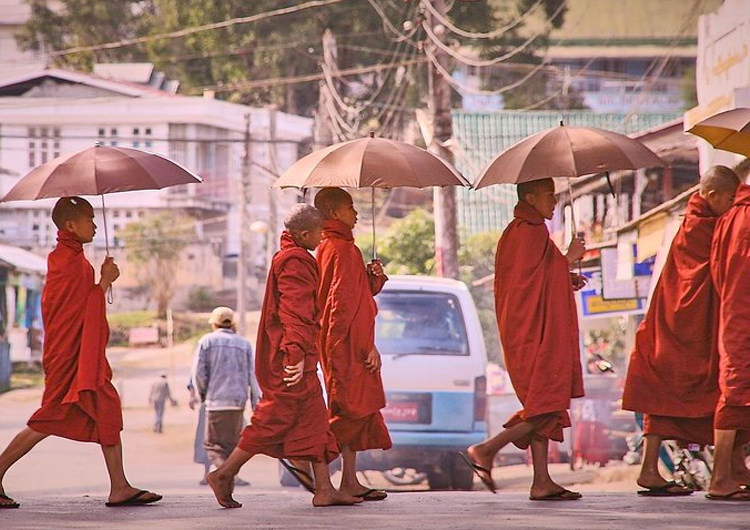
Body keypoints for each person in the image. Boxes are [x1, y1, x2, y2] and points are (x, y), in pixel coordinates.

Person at [0, 196, 161, 509]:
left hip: (76, 353)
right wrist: (104, 283)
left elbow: (79, 306)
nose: (96, 225)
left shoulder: (70, 258)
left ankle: (119, 486)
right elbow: (79, 309)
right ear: (70, 225)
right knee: (48, 418)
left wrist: (100, 283)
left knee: (105, 411)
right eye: (90, 218)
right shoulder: (68, 262)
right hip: (70, 355)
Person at [206, 204, 361, 509]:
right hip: (291, 356)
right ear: (304, 234)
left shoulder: (292, 255)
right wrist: (296, 353)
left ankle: (324, 489)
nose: (322, 237)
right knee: (271, 417)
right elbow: (295, 311)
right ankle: (225, 472)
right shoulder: (296, 260)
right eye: (319, 232)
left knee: (316, 421)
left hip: (299, 352)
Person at [462, 178, 586, 501]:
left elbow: (538, 282)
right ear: (530, 197)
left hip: (533, 331)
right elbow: (524, 289)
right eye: (549, 195)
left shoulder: (531, 231)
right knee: (547, 405)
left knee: (542, 404)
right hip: (530, 334)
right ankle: (487, 449)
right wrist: (569, 257)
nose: (555, 202)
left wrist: (564, 278)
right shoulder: (526, 232)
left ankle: (541, 481)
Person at [622, 166, 741, 496]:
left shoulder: (696, 218)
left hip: (673, 325)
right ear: (711, 196)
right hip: (683, 327)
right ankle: (719, 472)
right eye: (730, 199)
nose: (732, 206)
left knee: (662, 398)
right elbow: (707, 274)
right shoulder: (701, 225)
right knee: (712, 394)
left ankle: (652, 469)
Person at [304, 187, 391, 501]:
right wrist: (365, 345)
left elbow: (354, 296)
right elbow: (341, 308)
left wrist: (371, 279)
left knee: (356, 410)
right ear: (333, 213)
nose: (355, 213)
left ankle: (350, 480)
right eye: (350, 207)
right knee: (347, 411)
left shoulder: (331, 247)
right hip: (346, 343)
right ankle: (315, 468)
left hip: (340, 340)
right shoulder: (341, 249)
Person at [708, 177, 750, 501]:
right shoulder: (744, 216)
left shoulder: (730, 217)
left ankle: (734, 470)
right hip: (743, 317)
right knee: (735, 396)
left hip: (734, 315)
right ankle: (720, 477)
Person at [192, 306, 260, 484]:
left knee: (212, 444)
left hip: (216, 401)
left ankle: (223, 473)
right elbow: (252, 376)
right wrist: (254, 403)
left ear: (214, 324)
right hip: (238, 402)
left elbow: (199, 373)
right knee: (232, 444)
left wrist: (203, 395)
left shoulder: (206, 342)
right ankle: (230, 477)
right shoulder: (244, 344)